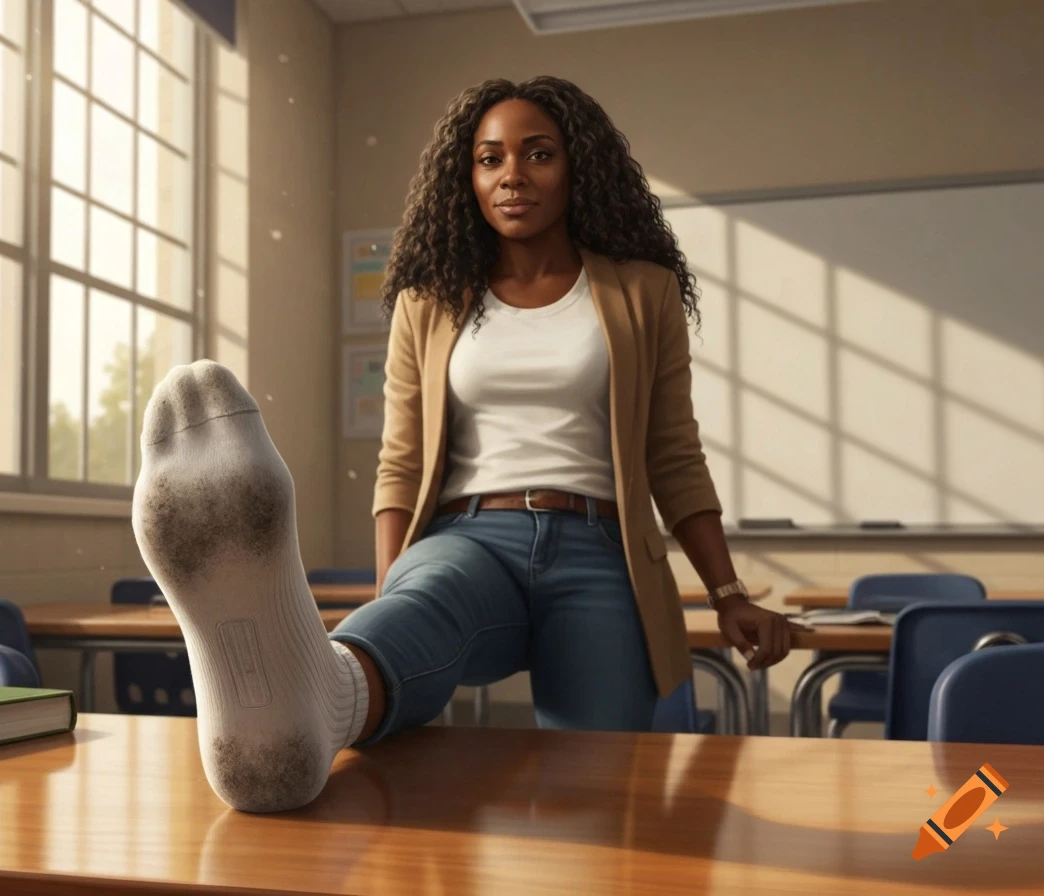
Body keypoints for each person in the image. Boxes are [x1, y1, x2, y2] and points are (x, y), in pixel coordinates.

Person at [132, 76, 801, 815]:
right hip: (469, 536)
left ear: (578, 165)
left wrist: (729, 592)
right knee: (419, 607)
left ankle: (311, 695)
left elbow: (672, 453)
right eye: (490, 159)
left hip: (601, 554)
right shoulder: (428, 301)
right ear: (468, 178)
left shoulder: (643, 292)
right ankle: (301, 714)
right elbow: (402, 462)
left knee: (598, 797)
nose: (512, 174)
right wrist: (392, 589)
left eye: (537, 153)